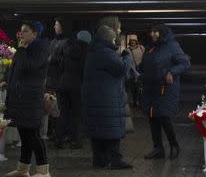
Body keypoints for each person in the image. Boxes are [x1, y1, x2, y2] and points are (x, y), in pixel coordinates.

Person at [1, 20, 52, 177]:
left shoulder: (40, 49)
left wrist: (21, 50)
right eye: (21, 31)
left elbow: (30, 67)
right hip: (20, 97)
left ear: (35, 34)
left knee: (33, 134)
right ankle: (23, 169)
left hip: (30, 98)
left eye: (25, 31)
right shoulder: (25, 48)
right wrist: (7, 82)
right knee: (24, 133)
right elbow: (16, 70)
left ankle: (44, 171)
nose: (21, 34)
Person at [81, 25, 133, 169]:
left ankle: (99, 159)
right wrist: (127, 57)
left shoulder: (94, 50)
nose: (114, 42)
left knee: (98, 129)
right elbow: (121, 68)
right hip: (106, 98)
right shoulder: (105, 52)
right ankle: (116, 160)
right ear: (109, 39)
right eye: (114, 39)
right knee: (111, 128)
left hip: (95, 97)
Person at [140, 23, 191, 160]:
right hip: (150, 88)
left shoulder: (172, 46)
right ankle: (158, 149)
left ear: (163, 33)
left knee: (164, 117)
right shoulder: (150, 47)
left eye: (156, 31)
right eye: (152, 31)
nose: (153, 34)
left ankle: (174, 146)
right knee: (152, 117)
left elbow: (184, 63)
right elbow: (144, 65)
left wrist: (171, 72)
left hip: (165, 88)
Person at [54, 23, 87, 149]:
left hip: (63, 84)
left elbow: (60, 68)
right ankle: (75, 140)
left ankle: (59, 138)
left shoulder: (66, 51)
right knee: (76, 114)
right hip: (77, 85)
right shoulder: (84, 52)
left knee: (63, 112)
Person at [126, 34, 145, 108]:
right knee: (133, 89)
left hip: (141, 71)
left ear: (136, 41)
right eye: (131, 41)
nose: (132, 42)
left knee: (140, 88)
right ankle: (134, 102)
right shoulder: (126, 50)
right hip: (131, 73)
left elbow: (145, 58)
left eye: (134, 40)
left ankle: (140, 103)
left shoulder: (141, 48)